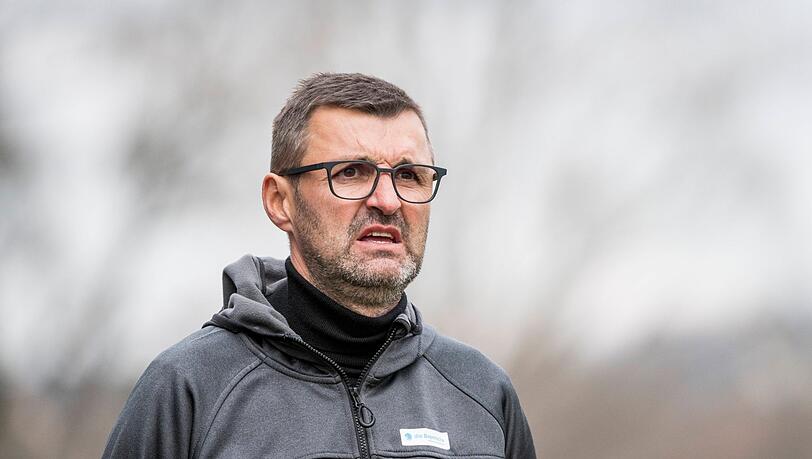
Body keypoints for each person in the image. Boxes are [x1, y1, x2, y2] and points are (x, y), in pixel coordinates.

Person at [103, 72, 536, 458]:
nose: (388, 201)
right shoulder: (189, 389)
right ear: (280, 201)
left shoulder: (483, 393)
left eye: (408, 176)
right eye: (351, 172)